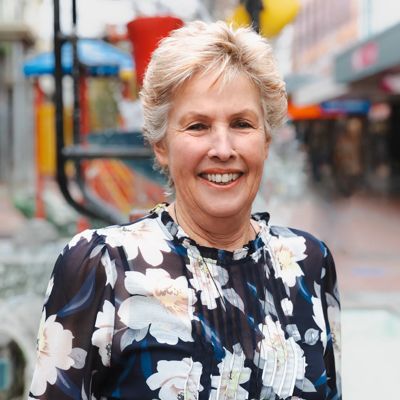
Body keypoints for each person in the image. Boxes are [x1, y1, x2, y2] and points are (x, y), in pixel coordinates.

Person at [29, 21, 341, 400]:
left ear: (266, 138)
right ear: (161, 145)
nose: (223, 148)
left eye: (242, 124)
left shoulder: (310, 261)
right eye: (198, 126)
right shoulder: (103, 265)